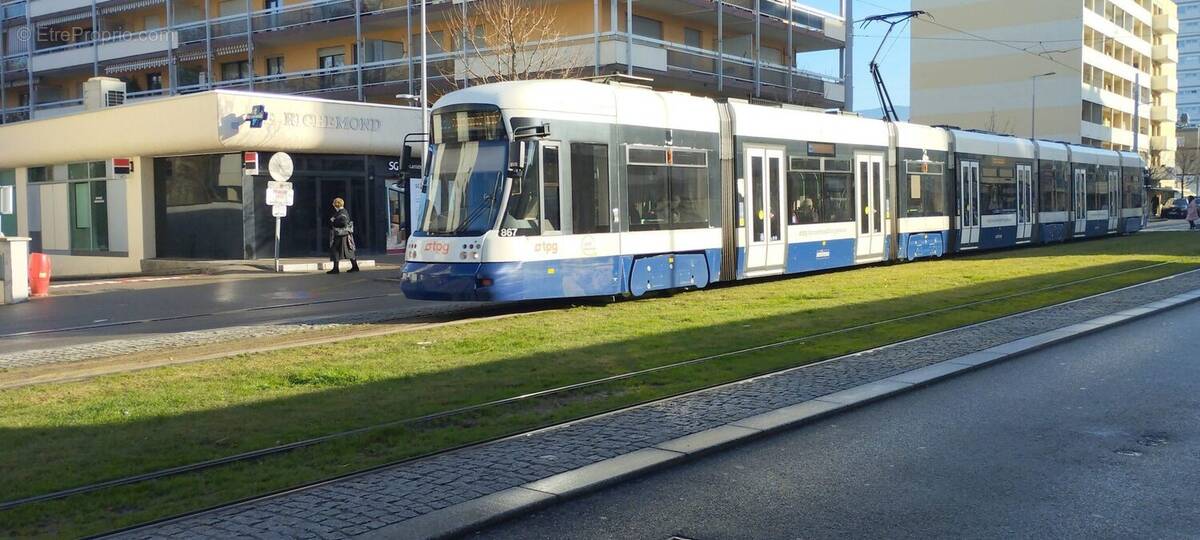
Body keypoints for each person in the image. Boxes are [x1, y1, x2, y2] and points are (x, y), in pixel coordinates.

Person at [328, 197, 359, 274]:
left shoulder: (341, 212)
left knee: (335, 250)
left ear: (336, 204)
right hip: (344, 235)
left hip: (340, 235)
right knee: (348, 250)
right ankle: (355, 266)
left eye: (334, 203)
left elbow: (343, 223)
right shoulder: (343, 211)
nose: (333, 205)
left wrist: (333, 222)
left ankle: (336, 269)